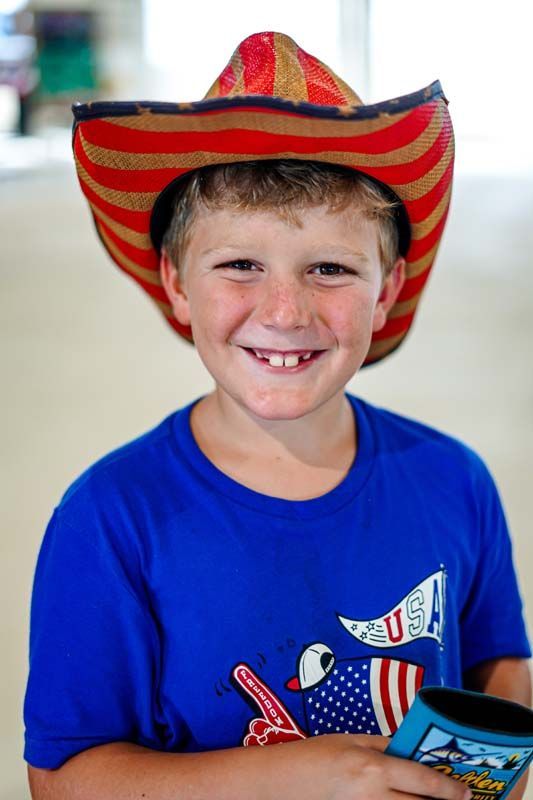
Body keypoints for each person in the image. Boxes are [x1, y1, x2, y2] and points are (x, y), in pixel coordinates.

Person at [24, 31, 531, 800]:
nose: (286, 312)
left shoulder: (452, 480)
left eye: (329, 268)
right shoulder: (112, 517)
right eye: (240, 265)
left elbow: (498, 665)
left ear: (387, 289)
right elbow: (61, 776)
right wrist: (309, 774)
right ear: (177, 283)